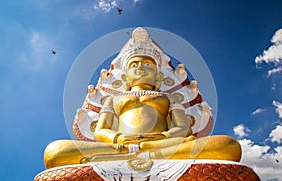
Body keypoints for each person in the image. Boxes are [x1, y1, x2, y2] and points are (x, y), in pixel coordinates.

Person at [44, 28, 241, 169]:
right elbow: (100, 132)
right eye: (134, 65)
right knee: (55, 152)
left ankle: (143, 154)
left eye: (148, 65)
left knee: (227, 146)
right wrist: (120, 139)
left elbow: (183, 128)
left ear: (158, 75)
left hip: (161, 145)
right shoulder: (112, 100)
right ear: (125, 74)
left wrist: (160, 139)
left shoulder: (170, 97)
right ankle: (136, 154)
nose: (140, 67)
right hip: (119, 146)